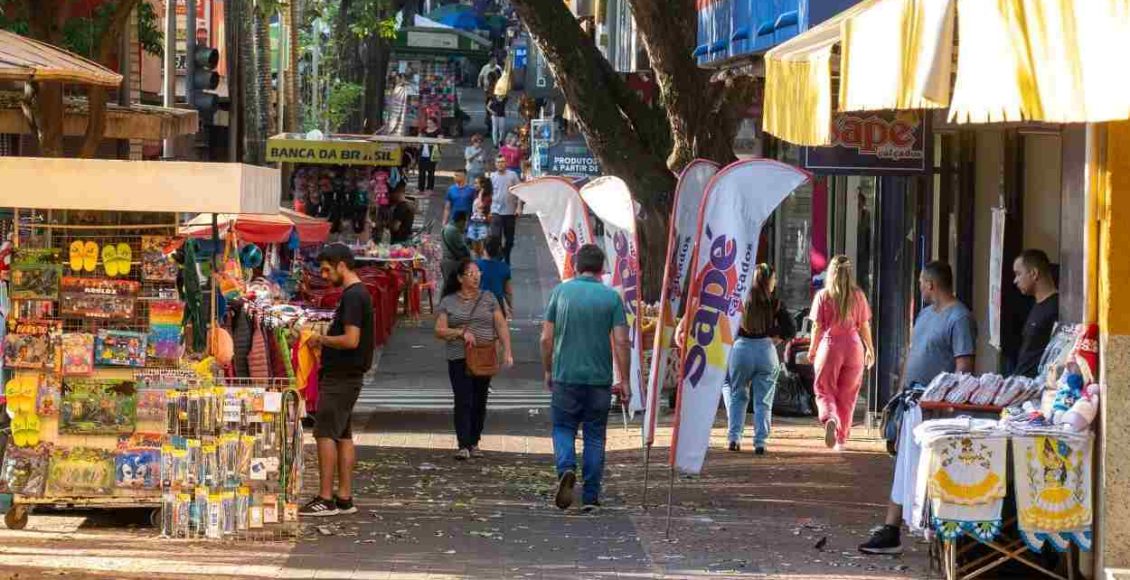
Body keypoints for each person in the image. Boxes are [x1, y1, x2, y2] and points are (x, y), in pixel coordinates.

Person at [859, 261, 976, 555]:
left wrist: (950, 404)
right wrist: (899, 392)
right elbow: (913, 354)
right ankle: (891, 528)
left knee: (927, 470)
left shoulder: (959, 317)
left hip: (936, 408)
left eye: (922, 282)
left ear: (931, 284)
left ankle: (927, 530)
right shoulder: (924, 315)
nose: (920, 287)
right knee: (903, 465)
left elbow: (964, 366)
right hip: (912, 403)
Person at [540, 244, 630, 513]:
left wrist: (548, 370)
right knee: (594, 436)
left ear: (576, 266)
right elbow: (621, 341)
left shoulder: (560, 293)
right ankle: (590, 496)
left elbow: (546, 338)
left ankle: (566, 468)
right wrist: (625, 380)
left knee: (562, 428)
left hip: (565, 377)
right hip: (599, 380)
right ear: (602, 269)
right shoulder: (611, 298)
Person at [299, 244, 375, 517]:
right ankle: (344, 496)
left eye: (326, 270)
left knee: (325, 433)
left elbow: (351, 339)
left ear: (342, 265)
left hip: (341, 376)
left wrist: (321, 339)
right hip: (347, 375)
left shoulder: (354, 296)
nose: (324, 275)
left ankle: (325, 498)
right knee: (343, 434)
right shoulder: (355, 294)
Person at [434, 259, 514, 460]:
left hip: (484, 355)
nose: (476, 277)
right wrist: (460, 333)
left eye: (478, 273)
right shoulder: (448, 301)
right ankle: (463, 444)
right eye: (471, 274)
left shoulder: (489, 298)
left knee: (480, 399)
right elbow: (440, 330)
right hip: (459, 357)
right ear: (460, 278)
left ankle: (474, 441)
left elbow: (501, 325)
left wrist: (507, 351)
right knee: (463, 399)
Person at [722, 264, 795, 455]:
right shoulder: (774, 303)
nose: (775, 282)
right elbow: (790, 328)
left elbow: (726, 322)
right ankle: (760, 442)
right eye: (774, 279)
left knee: (738, 395)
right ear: (769, 281)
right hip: (765, 350)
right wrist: (776, 337)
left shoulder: (741, 300)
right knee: (763, 400)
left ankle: (734, 438)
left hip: (741, 350)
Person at [808, 256, 875, 450]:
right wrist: (870, 348)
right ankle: (841, 439)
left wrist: (812, 349)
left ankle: (830, 417)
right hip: (854, 347)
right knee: (848, 396)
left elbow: (817, 327)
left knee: (824, 389)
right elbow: (864, 325)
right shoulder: (858, 295)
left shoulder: (823, 295)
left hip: (830, 346)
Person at [1012, 249, 1059, 378]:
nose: (1015, 280)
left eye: (1018, 274)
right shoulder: (1035, 304)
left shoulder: (1057, 308)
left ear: (1034, 273)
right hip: (1021, 382)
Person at [489, 156, 522, 264]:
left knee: (509, 239)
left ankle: (506, 254)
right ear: (495, 164)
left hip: (510, 211)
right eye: (498, 162)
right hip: (496, 211)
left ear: (506, 163)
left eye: (502, 162)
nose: (500, 164)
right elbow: (488, 194)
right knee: (495, 237)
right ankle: (497, 258)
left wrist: (519, 207)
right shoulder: (492, 176)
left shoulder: (512, 175)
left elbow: (520, 191)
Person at [476, 236, 513, 318]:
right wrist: (510, 307)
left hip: (479, 303)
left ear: (484, 249)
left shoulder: (476, 265)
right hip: (497, 303)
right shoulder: (504, 267)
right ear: (499, 250)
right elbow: (508, 292)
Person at [441, 211, 472, 285]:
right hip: (453, 263)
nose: (465, 225)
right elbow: (462, 248)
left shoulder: (447, 227)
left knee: (447, 285)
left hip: (446, 261)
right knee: (453, 286)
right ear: (461, 221)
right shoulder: (454, 231)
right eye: (464, 223)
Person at [386, 180, 415, 245]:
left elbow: (395, 227)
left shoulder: (401, 207)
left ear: (397, 192)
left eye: (391, 193)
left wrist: (387, 224)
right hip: (406, 238)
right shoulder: (408, 205)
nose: (390, 196)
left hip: (399, 241)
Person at [417, 120, 442, 193]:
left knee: (431, 171)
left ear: (434, 123)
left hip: (432, 152)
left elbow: (440, 140)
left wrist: (431, 142)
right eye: (428, 123)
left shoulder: (438, 131)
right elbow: (418, 138)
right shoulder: (423, 130)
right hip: (423, 152)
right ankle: (420, 188)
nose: (429, 124)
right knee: (421, 171)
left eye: (430, 123)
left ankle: (430, 188)